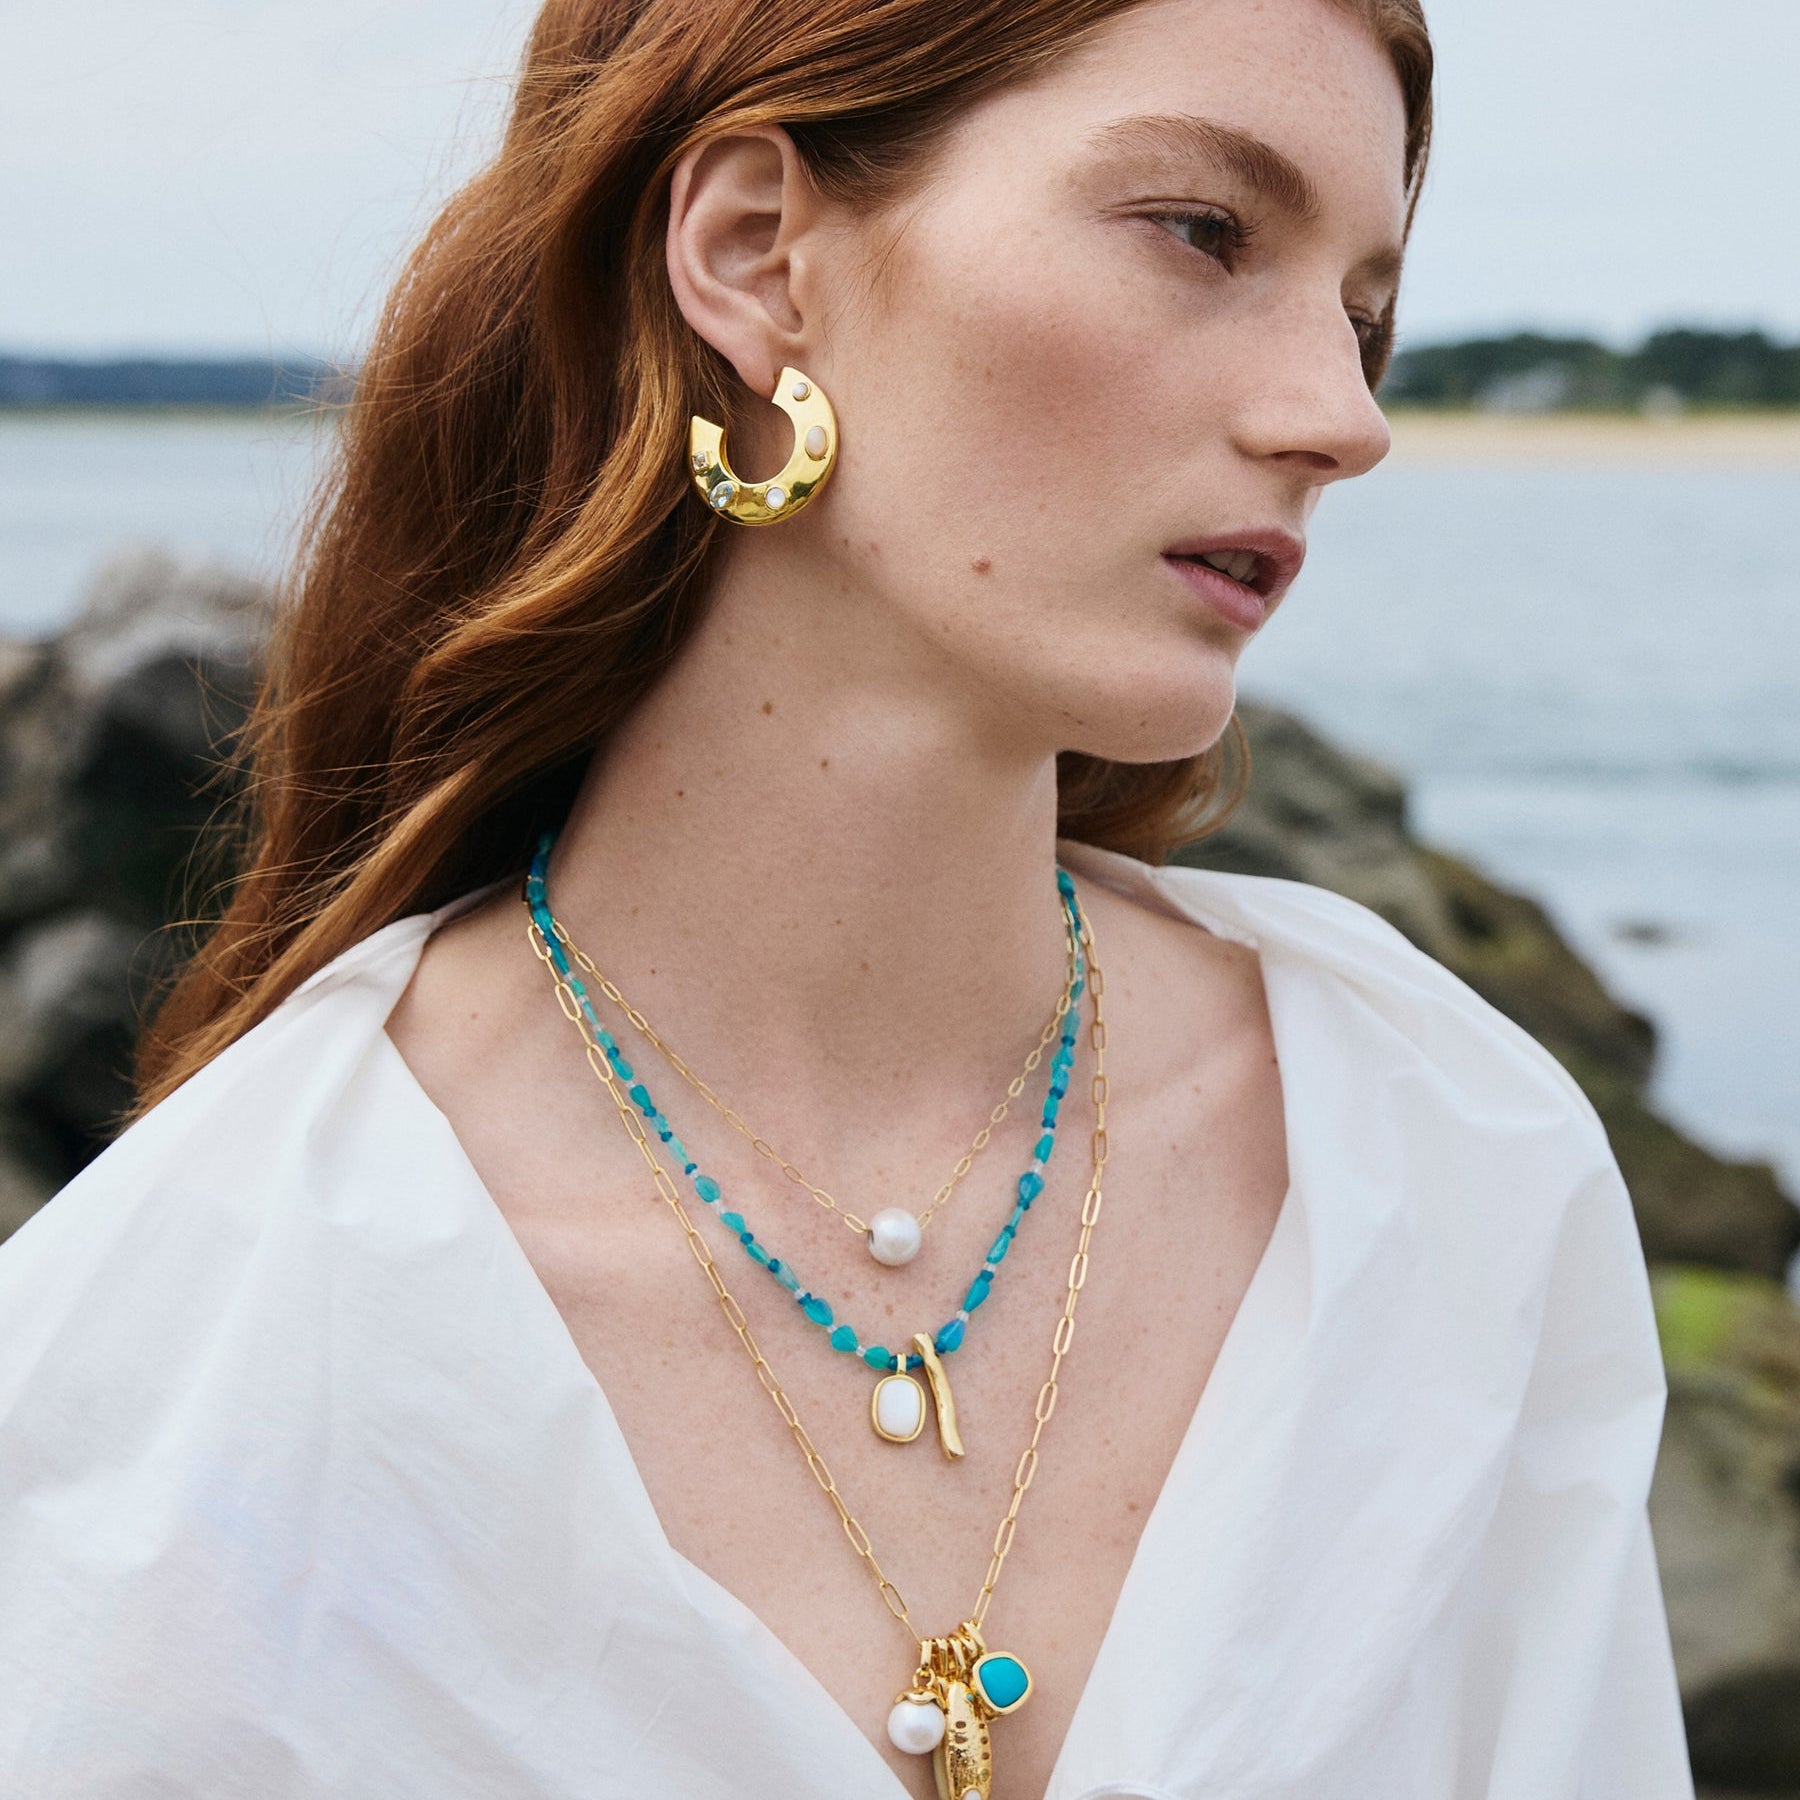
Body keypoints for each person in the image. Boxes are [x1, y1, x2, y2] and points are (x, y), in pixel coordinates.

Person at [0, 0, 1695, 1794]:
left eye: (1365, 316)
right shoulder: (207, 1335)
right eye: (1206, 233)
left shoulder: (1445, 1174)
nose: (1341, 417)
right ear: (756, 256)